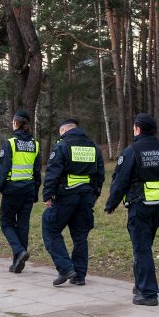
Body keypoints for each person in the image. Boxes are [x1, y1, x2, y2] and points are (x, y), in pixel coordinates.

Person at [105, 113, 159, 306]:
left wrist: (111, 204)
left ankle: (148, 293)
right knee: (144, 246)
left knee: (142, 248)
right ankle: (140, 285)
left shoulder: (132, 151)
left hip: (141, 205)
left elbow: (120, 180)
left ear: (138, 129)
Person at [41, 118, 105, 286]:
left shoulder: (62, 145)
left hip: (66, 196)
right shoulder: (93, 147)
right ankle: (79, 275)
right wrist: (94, 195)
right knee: (80, 236)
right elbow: (100, 175)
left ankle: (65, 268)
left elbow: (53, 172)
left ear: (63, 131)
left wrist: (47, 195)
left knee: (50, 228)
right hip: (86, 197)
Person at [0, 110, 42, 273]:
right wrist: (35, 191)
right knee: (23, 226)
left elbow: (2, 172)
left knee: (6, 223)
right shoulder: (35, 144)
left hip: (12, 190)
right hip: (28, 189)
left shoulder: (10, 144)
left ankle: (19, 252)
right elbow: (37, 171)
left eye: (13, 122)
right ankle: (18, 262)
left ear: (17, 124)